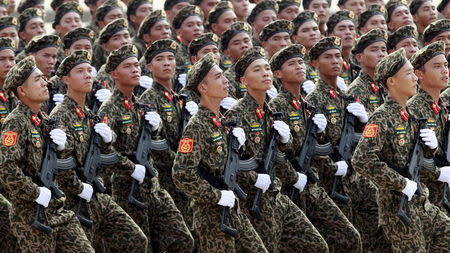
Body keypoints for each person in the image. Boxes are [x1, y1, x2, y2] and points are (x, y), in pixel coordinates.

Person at [224, 46, 329, 253]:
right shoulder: (235, 115)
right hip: (254, 199)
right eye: (257, 70)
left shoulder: (269, 111)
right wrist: (254, 179)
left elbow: (280, 156)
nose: (265, 73)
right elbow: (230, 163)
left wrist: (286, 141)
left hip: (276, 193)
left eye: (266, 69)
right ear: (243, 81)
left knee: (316, 245)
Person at [97, 44, 194, 252]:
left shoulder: (141, 106)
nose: (135, 70)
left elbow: (154, 144)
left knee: (182, 238)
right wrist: (130, 168)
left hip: (153, 185)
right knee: (143, 245)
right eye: (127, 66)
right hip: (128, 188)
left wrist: (157, 129)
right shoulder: (110, 107)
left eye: (135, 65)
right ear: (114, 74)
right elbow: (105, 153)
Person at [352, 48, 450, 252]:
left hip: (421, 202)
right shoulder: (382, 117)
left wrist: (431, 151)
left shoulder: (409, 117)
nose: (415, 78)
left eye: (414, 73)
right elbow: (361, 159)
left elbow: (413, 161)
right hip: (398, 207)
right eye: (408, 73)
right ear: (392, 81)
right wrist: (401, 183)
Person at [49, 50, 148, 252]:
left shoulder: (88, 114)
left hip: (96, 193)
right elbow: (59, 163)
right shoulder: (60, 116)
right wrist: (79, 188)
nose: (87, 75)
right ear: (66, 79)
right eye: (80, 71)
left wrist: (108, 143)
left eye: (89, 70)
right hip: (74, 199)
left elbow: (102, 155)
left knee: (136, 239)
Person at [268, 43, 363, 253]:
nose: (299, 67)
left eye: (301, 62)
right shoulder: (276, 107)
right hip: (290, 186)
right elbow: (275, 153)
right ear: (278, 73)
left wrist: (330, 165)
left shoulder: (305, 105)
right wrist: (294, 177)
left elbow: (319, 147)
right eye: (292, 64)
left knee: (347, 237)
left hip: (314, 182)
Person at [172, 52, 268, 253]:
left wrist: (252, 175)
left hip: (233, 208)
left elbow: (229, 166)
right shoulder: (196, 126)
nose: (225, 80)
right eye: (218, 77)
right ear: (203, 88)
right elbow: (181, 174)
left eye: (224, 75)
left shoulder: (222, 123)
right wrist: (215, 195)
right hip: (211, 215)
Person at [0, 55, 95, 253]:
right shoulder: (15, 122)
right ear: (22, 90)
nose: (45, 83)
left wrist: (60, 151)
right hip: (31, 214)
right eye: (37, 80)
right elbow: (6, 168)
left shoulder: (43, 119)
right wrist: (34, 192)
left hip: (58, 208)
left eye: (44, 78)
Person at [408, 41, 450, 214]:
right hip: (422, 198)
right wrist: (438, 173)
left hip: (441, 195)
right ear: (419, 74)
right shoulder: (414, 109)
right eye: (437, 66)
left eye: (446, 65)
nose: (444, 70)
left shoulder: (441, 106)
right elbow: (407, 159)